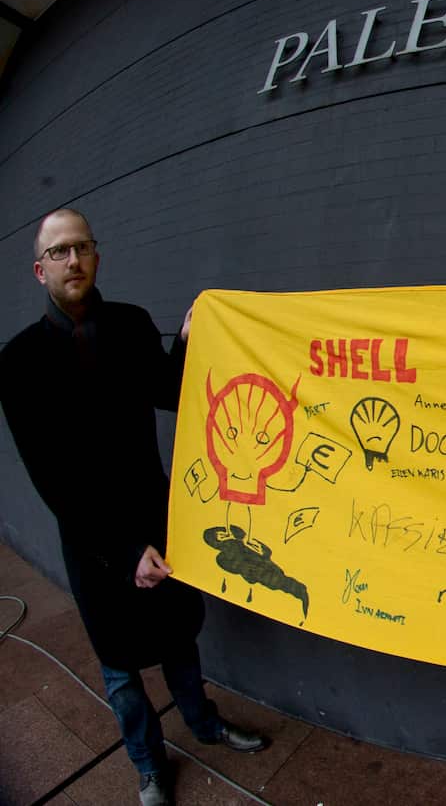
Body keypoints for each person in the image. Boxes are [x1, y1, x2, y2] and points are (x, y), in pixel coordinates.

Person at [0, 209, 267, 806]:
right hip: (96, 543)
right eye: (61, 252)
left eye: (84, 248)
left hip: (157, 517)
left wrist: (193, 336)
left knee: (178, 640)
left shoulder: (130, 323)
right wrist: (123, 555)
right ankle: (149, 766)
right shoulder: (18, 361)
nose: (74, 260)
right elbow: (51, 477)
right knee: (121, 671)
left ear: (97, 256)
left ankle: (204, 724)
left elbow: (170, 391)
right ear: (39, 269)